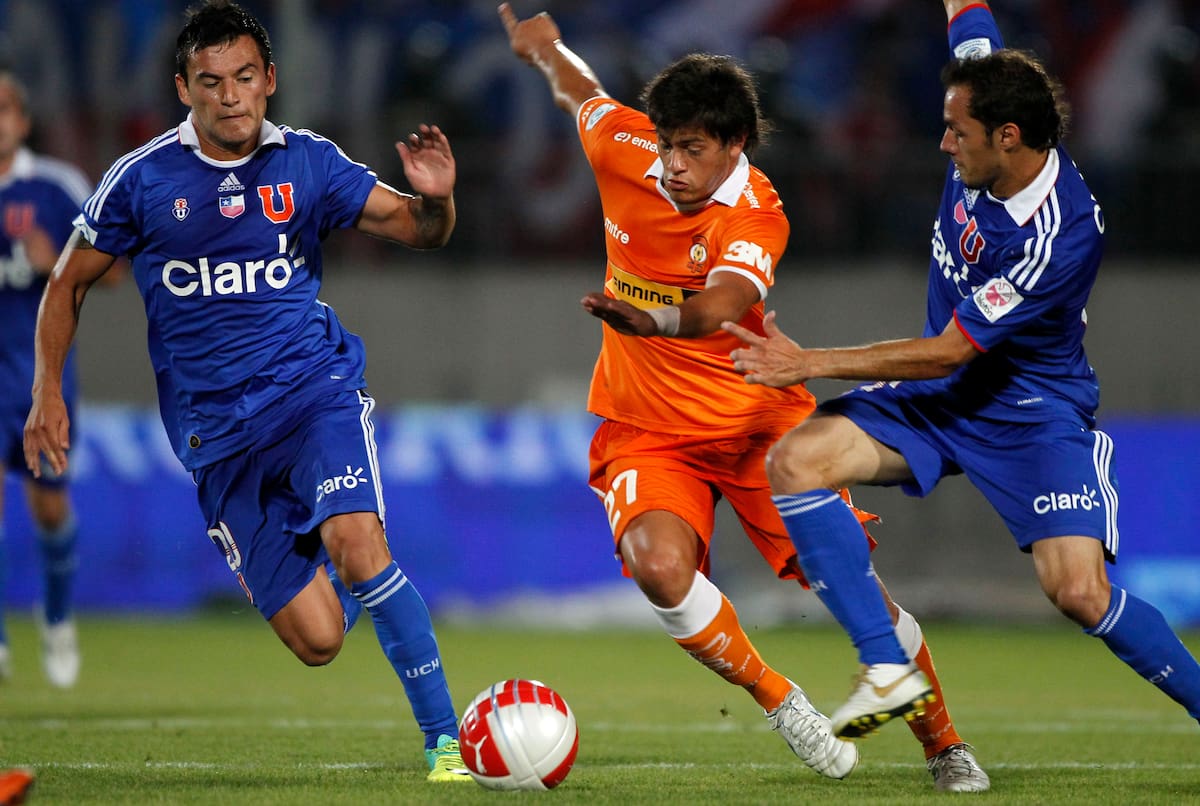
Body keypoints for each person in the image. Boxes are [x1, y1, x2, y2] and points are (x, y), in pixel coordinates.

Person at [500, 3, 989, 792]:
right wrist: (546, 48)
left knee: (855, 586)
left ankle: (945, 743)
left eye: (693, 149)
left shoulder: (757, 213)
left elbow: (721, 307)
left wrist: (651, 316)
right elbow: (581, 93)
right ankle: (778, 698)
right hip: (648, 429)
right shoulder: (628, 149)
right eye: (667, 145)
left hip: (760, 424)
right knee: (658, 567)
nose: (673, 165)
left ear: (735, 147)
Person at [724, 0, 1200, 742]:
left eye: (957, 132)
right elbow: (967, 10)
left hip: (1029, 414)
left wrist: (808, 363)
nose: (942, 142)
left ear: (1008, 138)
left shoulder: (1059, 234)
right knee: (795, 462)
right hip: (939, 402)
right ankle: (888, 666)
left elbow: (950, 348)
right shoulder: (987, 86)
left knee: (1077, 592)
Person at [23, 0, 472, 783]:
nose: (229, 96)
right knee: (320, 641)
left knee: (360, 544)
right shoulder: (143, 180)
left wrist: (438, 198)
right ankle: (327, 544)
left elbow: (421, 230)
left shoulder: (308, 162)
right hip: (216, 438)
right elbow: (65, 284)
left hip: (313, 395)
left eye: (242, 78)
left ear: (269, 80)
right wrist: (47, 394)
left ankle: (447, 743)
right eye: (209, 82)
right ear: (182, 89)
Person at [0, 70, 93, 689]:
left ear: (23, 120)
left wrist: (52, 261)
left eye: (4, 108)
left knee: (49, 509)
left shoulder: (58, 188)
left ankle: (57, 618)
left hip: (39, 380)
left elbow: (109, 272)